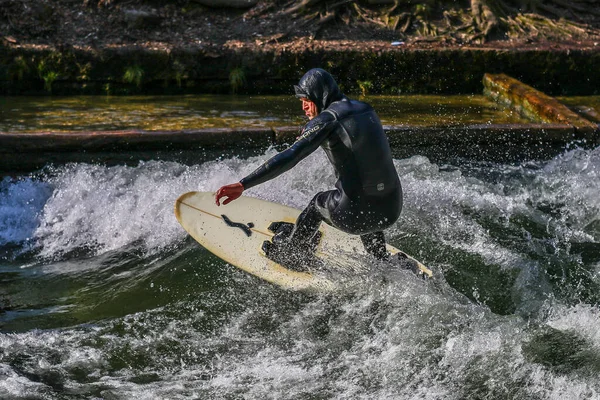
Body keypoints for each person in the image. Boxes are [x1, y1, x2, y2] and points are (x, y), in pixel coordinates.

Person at [215, 68, 402, 268]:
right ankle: (381, 259)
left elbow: (290, 156)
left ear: (318, 96)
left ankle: (293, 253)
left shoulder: (328, 119)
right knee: (368, 185)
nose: (303, 107)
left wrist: (243, 184)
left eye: (306, 100)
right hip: (390, 210)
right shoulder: (365, 108)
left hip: (354, 216)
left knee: (318, 204)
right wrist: (313, 132)